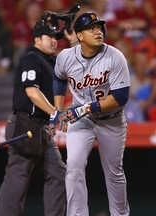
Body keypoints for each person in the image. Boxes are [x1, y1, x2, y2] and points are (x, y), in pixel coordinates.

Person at [51, 12, 131, 216]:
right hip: (82, 120)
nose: (98, 31)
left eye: (99, 27)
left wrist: (85, 108)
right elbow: (59, 78)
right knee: (73, 167)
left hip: (111, 120)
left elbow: (120, 97)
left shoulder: (115, 56)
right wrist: (57, 108)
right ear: (79, 35)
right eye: (91, 28)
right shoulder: (66, 57)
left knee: (114, 173)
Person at [0, 21, 70, 216]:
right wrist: (55, 113)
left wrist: (73, 39)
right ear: (37, 39)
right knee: (18, 177)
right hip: (24, 123)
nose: (54, 41)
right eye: (50, 37)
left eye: (56, 38)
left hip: (41, 127)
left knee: (59, 174)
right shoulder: (31, 58)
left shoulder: (51, 62)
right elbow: (31, 92)